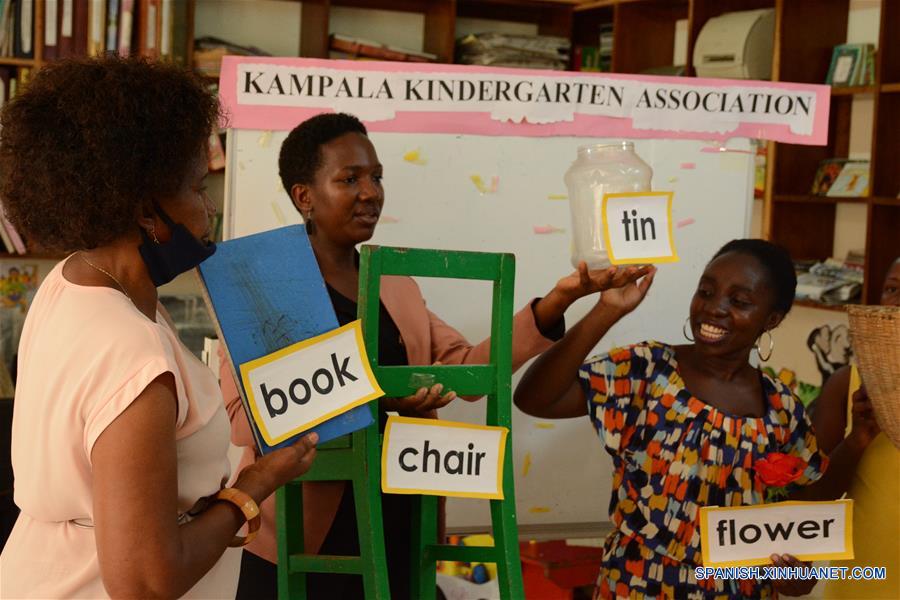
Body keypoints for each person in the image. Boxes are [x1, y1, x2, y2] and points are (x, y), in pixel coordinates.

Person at [220, 112, 649, 599]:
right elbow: (242, 418)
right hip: (306, 541)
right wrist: (382, 402)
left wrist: (560, 299)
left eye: (377, 176)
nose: (371, 193)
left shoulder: (395, 284)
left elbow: (468, 370)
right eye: (350, 179)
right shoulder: (263, 287)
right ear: (304, 196)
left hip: (401, 525)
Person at [0, 56, 318, 598]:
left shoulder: (71, 279)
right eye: (198, 188)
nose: (209, 208)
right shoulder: (132, 353)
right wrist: (254, 485)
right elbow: (146, 582)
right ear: (148, 212)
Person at [513, 239, 873, 599]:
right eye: (706, 292)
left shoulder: (781, 408)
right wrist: (607, 311)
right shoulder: (647, 370)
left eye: (739, 301)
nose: (714, 308)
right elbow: (535, 398)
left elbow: (807, 501)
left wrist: (797, 571)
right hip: (637, 588)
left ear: (771, 319)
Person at [814, 257, 900, 599]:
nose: (898, 303)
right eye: (892, 289)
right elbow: (811, 497)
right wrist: (858, 439)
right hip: (859, 587)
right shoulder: (847, 384)